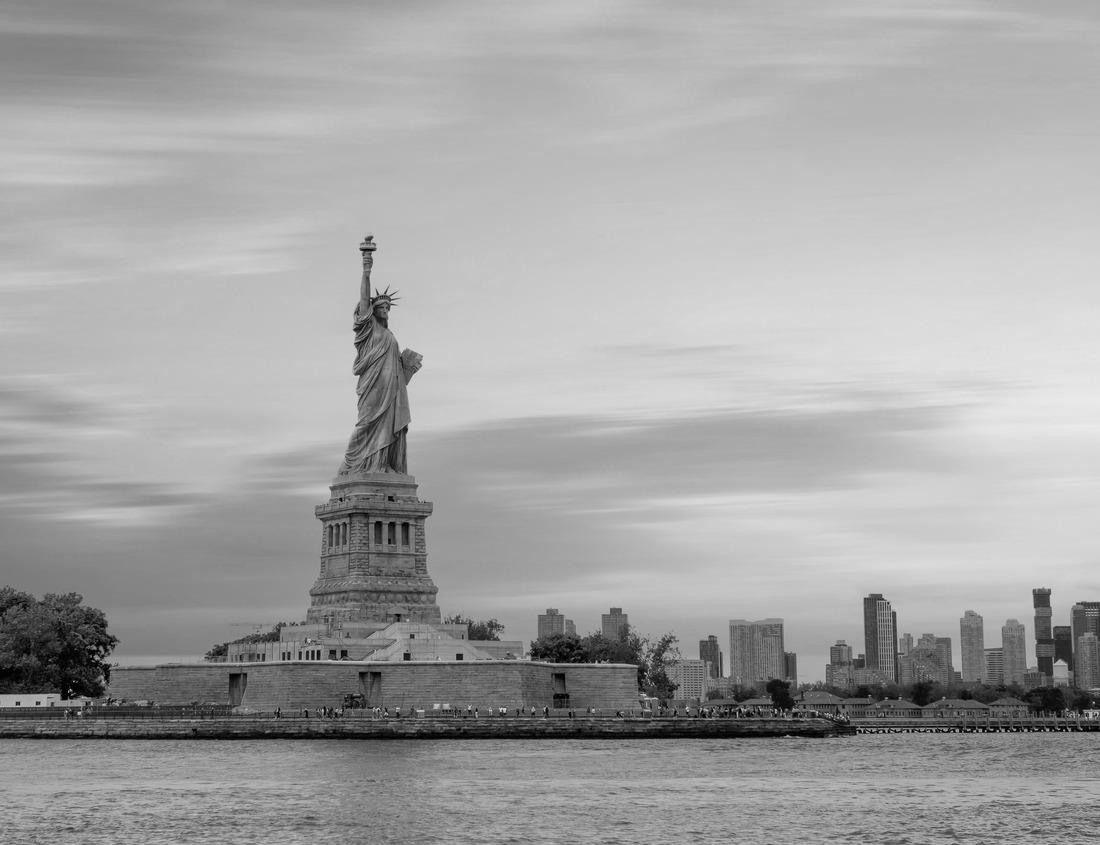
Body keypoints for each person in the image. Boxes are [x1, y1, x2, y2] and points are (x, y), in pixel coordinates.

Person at [338, 236, 422, 476]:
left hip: (392, 389)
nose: (385, 310)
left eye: (388, 308)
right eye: (381, 307)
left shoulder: (390, 335)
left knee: (388, 428)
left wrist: (408, 368)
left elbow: (397, 373)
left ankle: (382, 465)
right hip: (372, 386)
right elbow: (364, 299)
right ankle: (353, 465)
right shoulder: (368, 330)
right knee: (366, 423)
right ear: (372, 312)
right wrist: (367, 267)